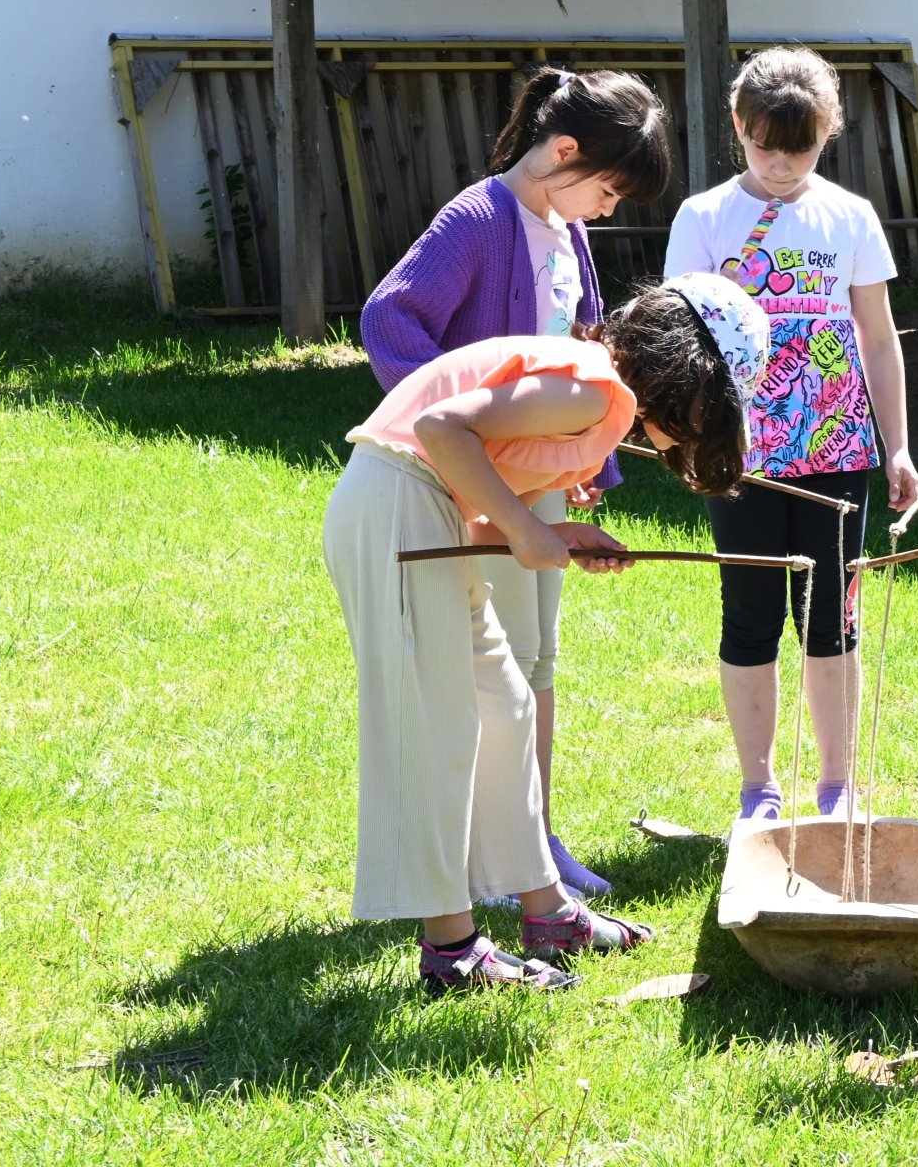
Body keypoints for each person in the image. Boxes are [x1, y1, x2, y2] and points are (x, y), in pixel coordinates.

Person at [324, 276, 769, 993]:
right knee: (440, 729)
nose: (698, 429)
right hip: (395, 509)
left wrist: (549, 531)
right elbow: (440, 431)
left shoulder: (595, 407)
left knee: (505, 709)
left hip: (422, 516)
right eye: (706, 408)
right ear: (681, 371)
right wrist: (526, 527)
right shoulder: (592, 387)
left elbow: (474, 512)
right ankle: (451, 949)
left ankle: (546, 909)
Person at [360, 67, 672, 898]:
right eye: (606, 189)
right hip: (473, 482)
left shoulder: (565, 231)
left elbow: (582, 350)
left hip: (528, 478)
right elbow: (390, 318)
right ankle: (496, 857)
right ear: (563, 151)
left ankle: (534, 839)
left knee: (537, 662)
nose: (607, 209)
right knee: (488, 677)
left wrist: (588, 465)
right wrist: (447, 431)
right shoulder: (477, 217)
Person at [663, 46, 918, 822]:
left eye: (799, 147)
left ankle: (838, 786)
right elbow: (679, 338)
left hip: (837, 447)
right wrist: (685, 436)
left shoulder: (849, 216)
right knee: (748, 610)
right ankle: (757, 789)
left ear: (828, 133)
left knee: (831, 613)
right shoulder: (704, 217)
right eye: (764, 144)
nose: (779, 164)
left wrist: (897, 443)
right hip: (739, 454)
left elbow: (878, 336)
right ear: (738, 126)